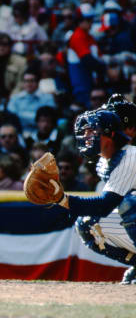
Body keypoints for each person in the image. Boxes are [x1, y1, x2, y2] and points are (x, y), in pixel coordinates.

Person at [52, 109, 136, 284]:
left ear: (110, 134)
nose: (87, 136)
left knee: (129, 204)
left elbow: (105, 205)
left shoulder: (131, 156)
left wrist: (61, 199)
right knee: (87, 224)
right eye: (85, 132)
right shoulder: (104, 161)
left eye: (93, 131)